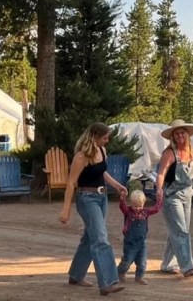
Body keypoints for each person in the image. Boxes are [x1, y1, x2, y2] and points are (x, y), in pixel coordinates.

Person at [59, 122, 128, 296]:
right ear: (95, 137)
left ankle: (75, 275)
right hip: (86, 199)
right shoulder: (81, 157)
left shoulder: (102, 151)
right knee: (100, 239)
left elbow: (102, 173)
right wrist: (66, 209)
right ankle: (108, 282)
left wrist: (118, 186)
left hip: (101, 198)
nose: (107, 140)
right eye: (105, 138)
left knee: (90, 238)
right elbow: (71, 183)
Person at [155, 119, 193, 277]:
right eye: (176, 133)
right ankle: (187, 267)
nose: (180, 135)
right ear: (172, 137)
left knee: (179, 230)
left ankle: (167, 264)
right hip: (171, 196)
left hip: (187, 195)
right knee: (181, 230)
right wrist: (158, 190)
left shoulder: (192, 152)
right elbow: (161, 173)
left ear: (187, 135)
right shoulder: (169, 153)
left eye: (182, 133)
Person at [116, 189, 163, 284]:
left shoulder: (145, 212)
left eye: (140, 206)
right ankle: (119, 272)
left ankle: (139, 277)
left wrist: (159, 199)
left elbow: (156, 209)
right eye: (135, 206)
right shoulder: (128, 212)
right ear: (131, 204)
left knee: (142, 262)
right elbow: (122, 207)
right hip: (130, 242)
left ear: (144, 204)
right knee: (127, 262)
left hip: (141, 242)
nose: (137, 208)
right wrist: (122, 199)